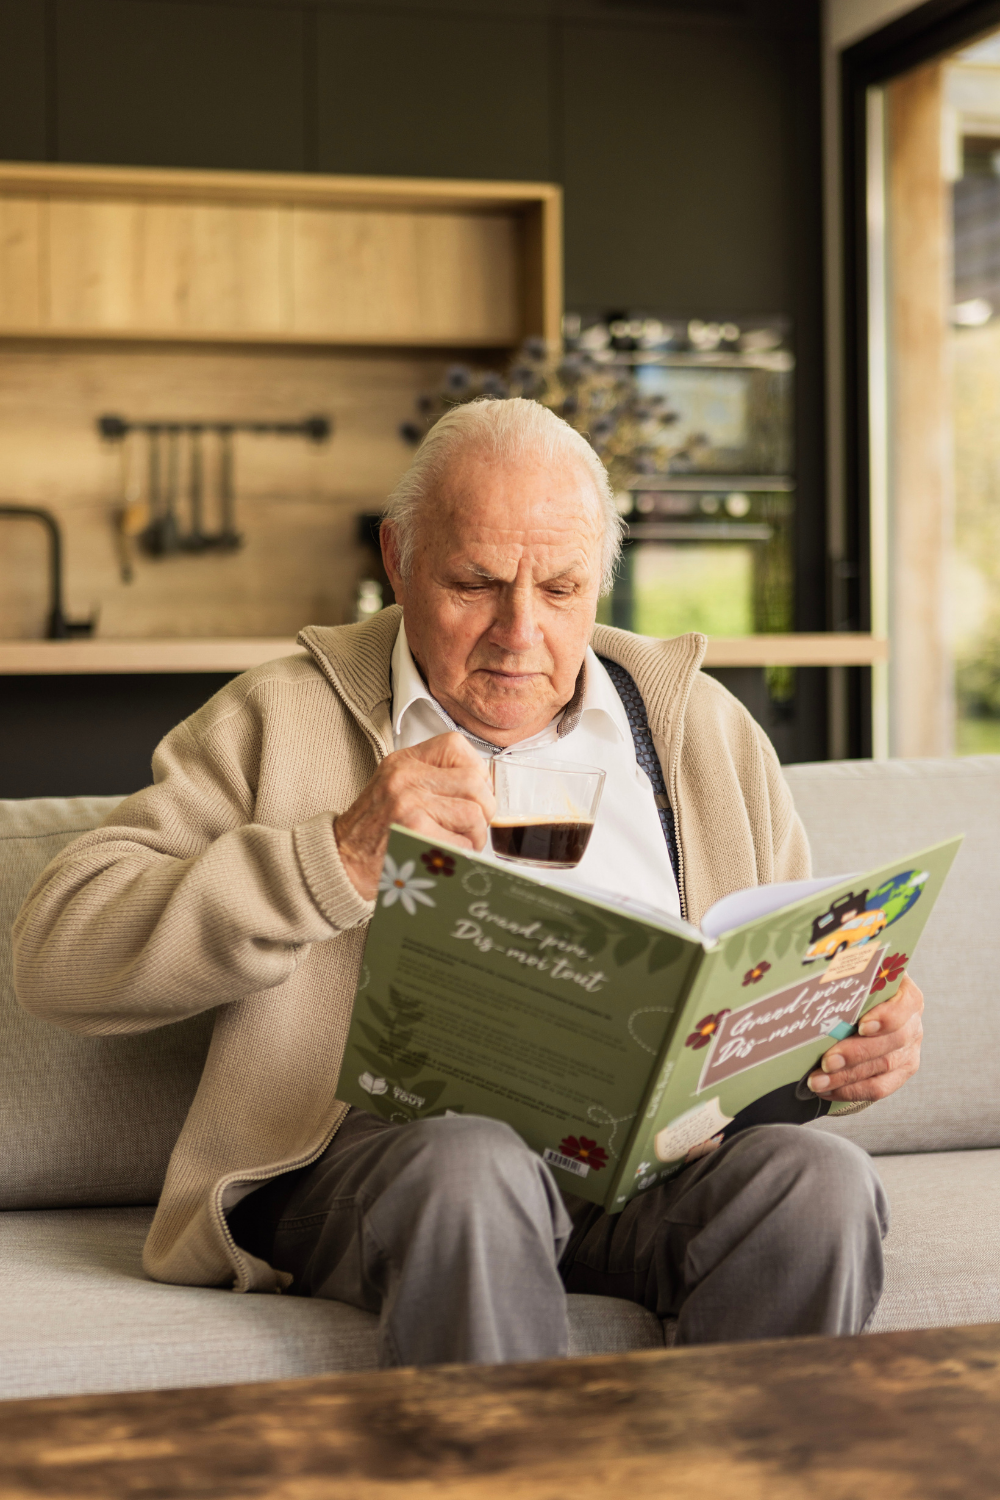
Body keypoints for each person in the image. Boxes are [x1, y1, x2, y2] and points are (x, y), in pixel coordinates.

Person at [12, 398, 923, 1368]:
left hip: (649, 1166)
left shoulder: (700, 730)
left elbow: (781, 964)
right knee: (472, 1164)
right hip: (379, 1160)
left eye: (562, 589)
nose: (518, 632)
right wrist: (338, 856)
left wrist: (849, 1034)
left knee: (816, 1181)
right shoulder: (278, 719)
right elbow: (58, 953)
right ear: (397, 560)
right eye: (476, 583)